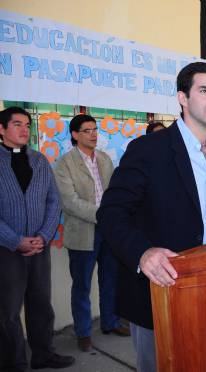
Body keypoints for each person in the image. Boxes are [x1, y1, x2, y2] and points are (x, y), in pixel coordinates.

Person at [96, 62, 206, 372]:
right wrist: (142, 253)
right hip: (159, 289)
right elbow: (111, 212)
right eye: (204, 91)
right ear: (183, 98)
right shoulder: (148, 149)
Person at [0, 107, 75, 370]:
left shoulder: (40, 160)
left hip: (39, 247)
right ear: (1, 129)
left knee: (41, 303)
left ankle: (43, 354)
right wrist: (14, 240)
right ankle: (14, 362)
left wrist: (43, 235)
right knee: (8, 311)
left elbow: (54, 201)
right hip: (7, 250)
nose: (24, 129)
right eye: (17, 124)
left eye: (27, 125)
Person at [54, 114, 129, 352]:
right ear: (75, 135)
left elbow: (115, 192)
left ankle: (110, 321)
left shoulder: (105, 160)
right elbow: (69, 202)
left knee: (110, 279)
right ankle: (83, 332)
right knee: (82, 286)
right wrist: (103, 214)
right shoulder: (65, 164)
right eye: (87, 130)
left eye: (95, 130)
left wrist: (113, 216)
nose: (94, 134)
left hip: (108, 232)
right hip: (82, 233)